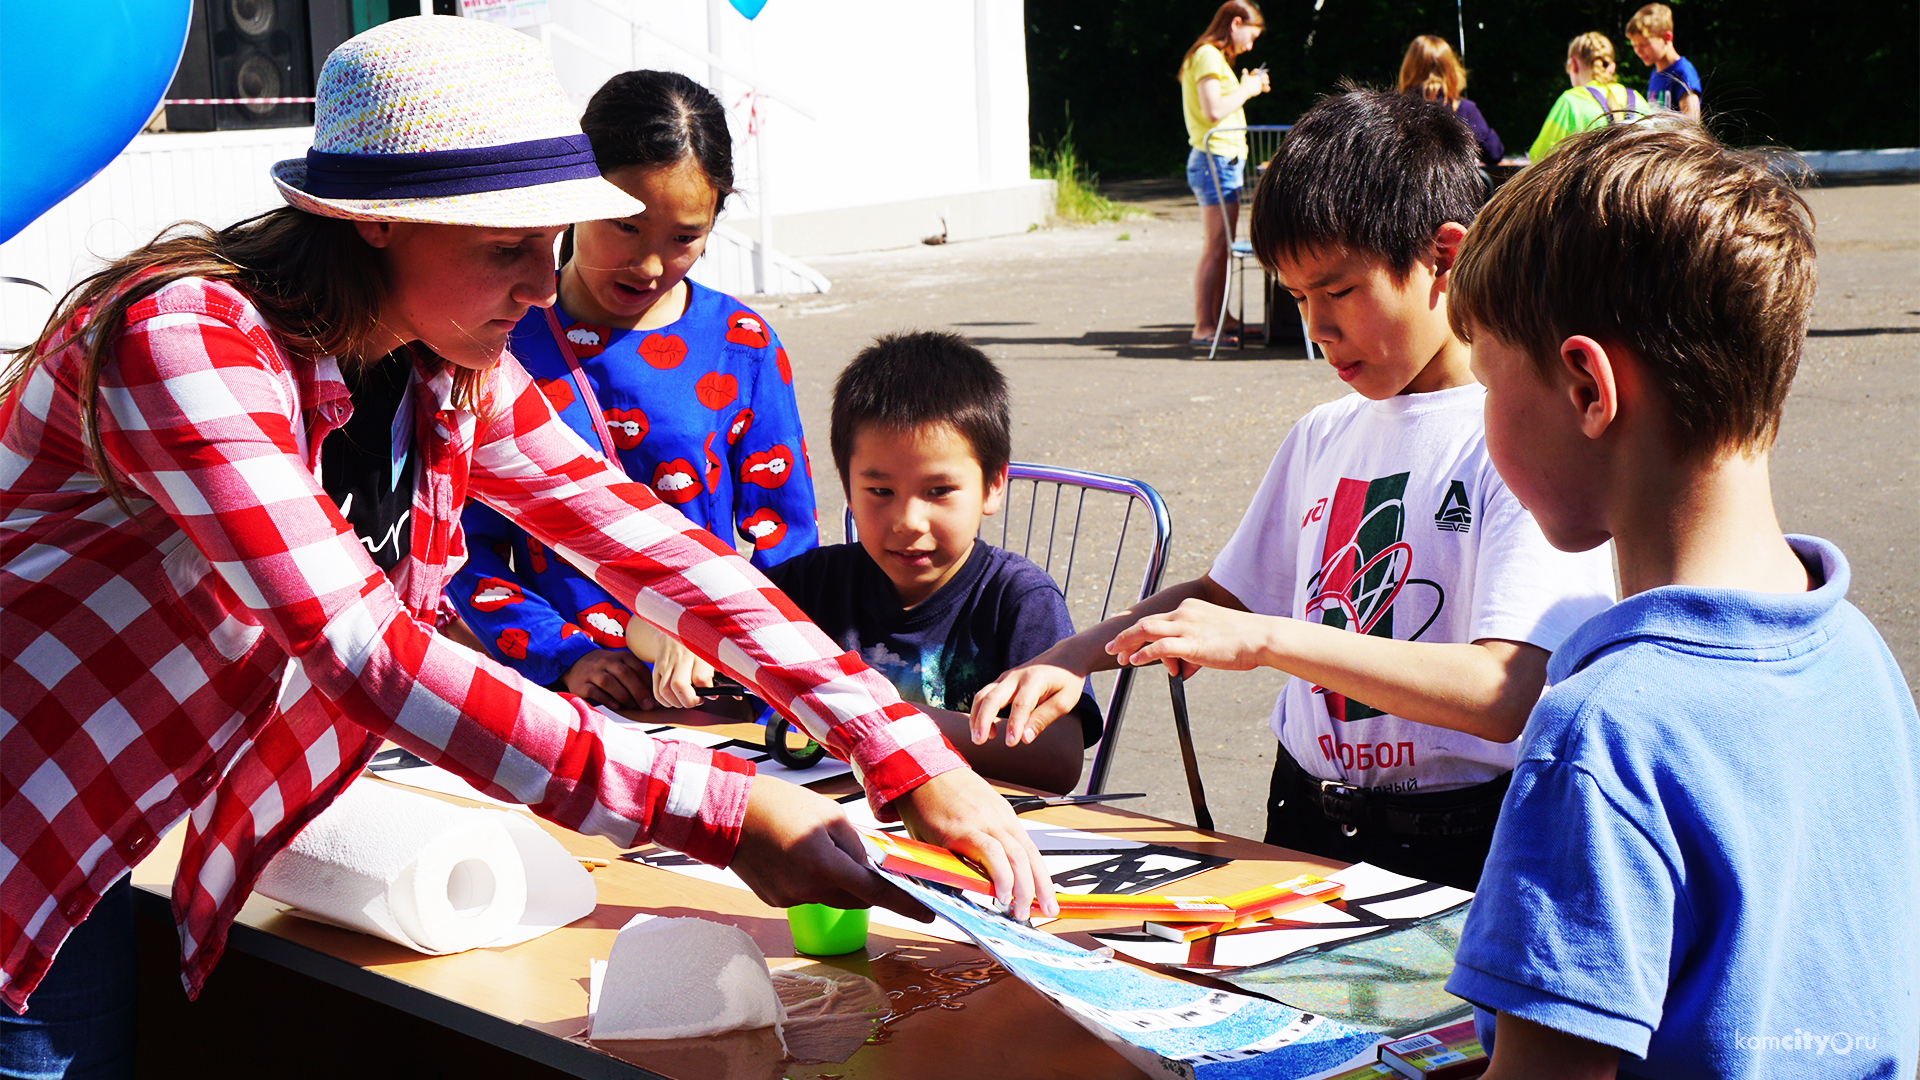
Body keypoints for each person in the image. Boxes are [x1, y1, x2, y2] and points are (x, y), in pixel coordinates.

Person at [0, 17, 1052, 1076]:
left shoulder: (445, 367)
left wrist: (894, 745)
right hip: (24, 827)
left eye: (550, 244)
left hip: (130, 809)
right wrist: (720, 813)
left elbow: (649, 545)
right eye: (506, 248)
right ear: (371, 223)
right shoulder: (186, 341)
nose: (544, 288)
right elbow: (365, 652)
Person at [971, 88, 1616, 892]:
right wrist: (1076, 657)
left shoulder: (1512, 437)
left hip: (1461, 841)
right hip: (1305, 815)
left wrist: (1273, 641)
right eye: (1297, 297)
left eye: (1338, 291)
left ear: (1442, 258)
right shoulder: (1323, 433)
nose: (1317, 326)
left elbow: (1505, 691)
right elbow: (1226, 595)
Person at [1444, 123, 1920, 1080]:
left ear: (1586, 386)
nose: (1478, 416)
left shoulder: (1602, 735)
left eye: (1486, 378)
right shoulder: (1859, 656)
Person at [445, 69, 817, 711]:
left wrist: (722, 639)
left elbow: (786, 541)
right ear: (573, 197)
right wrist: (562, 655)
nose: (649, 265)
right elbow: (454, 540)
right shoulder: (491, 342)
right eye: (625, 225)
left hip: (716, 699)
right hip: (559, 705)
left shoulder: (743, 343)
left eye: (683, 239)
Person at [635, 332, 1103, 795]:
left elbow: (1059, 760)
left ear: (993, 485)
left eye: (939, 491)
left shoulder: (1018, 599)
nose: (907, 521)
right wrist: (674, 637)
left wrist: (870, 716)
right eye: (880, 492)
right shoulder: (812, 583)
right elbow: (644, 625)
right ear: (847, 486)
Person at [1179, 0, 1271, 349]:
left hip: (1221, 161)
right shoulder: (1207, 55)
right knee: (1217, 247)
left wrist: (1242, 86)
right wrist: (1247, 90)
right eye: (1250, 35)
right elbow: (1213, 109)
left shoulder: (1215, 59)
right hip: (1213, 160)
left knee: (1223, 248)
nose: (1250, 45)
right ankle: (1204, 326)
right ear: (1235, 23)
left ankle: (1222, 318)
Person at [1527, 32, 1651, 161]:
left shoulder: (1571, 101)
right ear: (1611, 67)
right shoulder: (1637, 98)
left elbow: (1539, 157)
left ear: (1573, 65)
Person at [1397, 34, 1504, 166]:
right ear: (1451, 70)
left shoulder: (1393, 111)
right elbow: (1494, 153)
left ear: (1408, 70)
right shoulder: (1464, 110)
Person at [1625, 3, 1703, 119]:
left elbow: (1692, 122)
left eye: (1643, 44)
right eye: (1634, 46)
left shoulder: (1683, 72)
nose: (1638, 51)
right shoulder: (1655, 73)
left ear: (1667, 37)